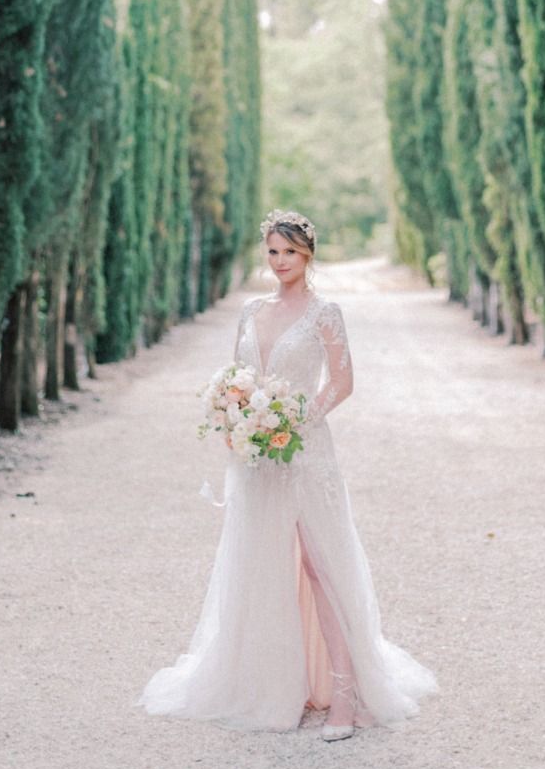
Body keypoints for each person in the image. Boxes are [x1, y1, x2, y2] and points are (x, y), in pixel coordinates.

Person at [140, 209, 437, 737]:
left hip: (306, 454)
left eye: (291, 253)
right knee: (263, 563)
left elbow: (342, 381)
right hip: (258, 456)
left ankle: (344, 694)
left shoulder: (325, 313)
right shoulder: (251, 310)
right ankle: (274, 686)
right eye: (273, 252)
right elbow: (239, 377)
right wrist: (235, 416)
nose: (280, 262)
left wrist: (299, 419)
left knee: (322, 567)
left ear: (308, 256)